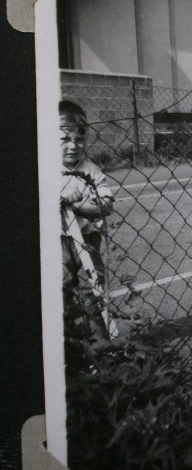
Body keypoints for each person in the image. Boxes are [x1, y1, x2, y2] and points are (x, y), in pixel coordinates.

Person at [59, 100, 114, 336]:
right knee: (61, 288)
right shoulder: (44, 168)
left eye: (79, 139)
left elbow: (106, 203)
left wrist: (79, 206)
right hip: (56, 241)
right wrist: (58, 197)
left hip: (86, 238)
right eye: (64, 139)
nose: (73, 146)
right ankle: (68, 340)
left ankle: (100, 340)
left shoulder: (90, 170)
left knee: (93, 288)